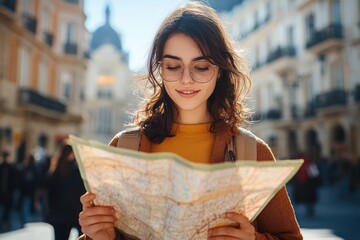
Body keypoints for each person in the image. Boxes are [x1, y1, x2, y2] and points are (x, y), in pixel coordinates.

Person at [78, 2, 303, 239]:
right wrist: (97, 235)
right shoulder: (125, 148)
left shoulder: (252, 152)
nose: (186, 79)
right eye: (173, 66)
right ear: (160, 70)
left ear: (220, 70)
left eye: (201, 66)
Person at [46, 141, 85, 240]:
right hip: (75, 213)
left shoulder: (54, 171)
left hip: (58, 214)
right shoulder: (77, 170)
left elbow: (49, 194)